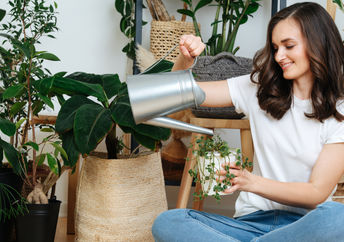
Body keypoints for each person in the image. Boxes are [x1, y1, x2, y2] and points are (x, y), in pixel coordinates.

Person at [152, 2, 344, 241]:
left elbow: (316, 192)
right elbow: (174, 96)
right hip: (249, 224)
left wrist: (251, 182)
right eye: (275, 47)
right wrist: (185, 60)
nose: (279, 56)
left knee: (339, 217)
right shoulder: (259, 89)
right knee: (169, 222)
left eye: (289, 46)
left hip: (303, 227)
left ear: (319, 45)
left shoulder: (340, 113)